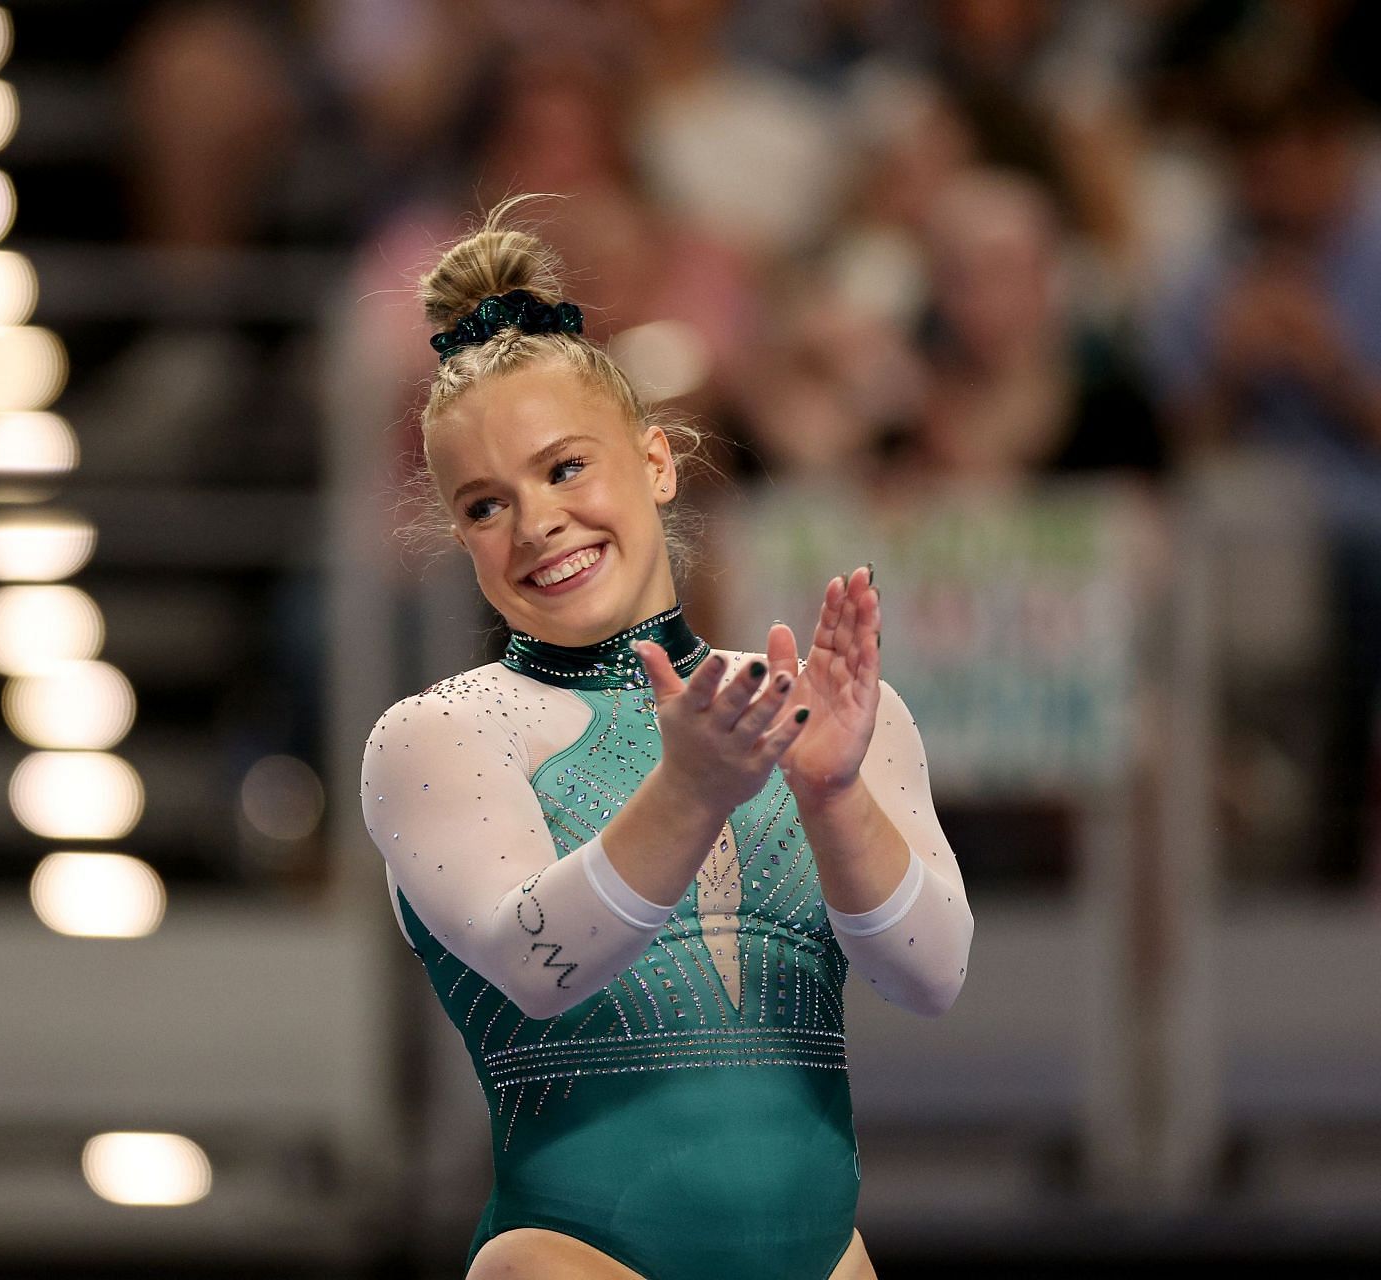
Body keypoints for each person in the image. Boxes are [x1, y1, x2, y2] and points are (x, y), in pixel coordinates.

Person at [359, 200, 975, 1280]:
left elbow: (931, 973)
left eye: (563, 469)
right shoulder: (439, 735)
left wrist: (834, 795)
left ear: (655, 460)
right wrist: (687, 790)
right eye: (485, 504)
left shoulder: (811, 713)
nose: (538, 522)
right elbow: (533, 963)